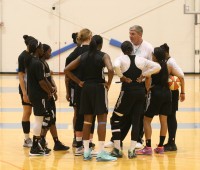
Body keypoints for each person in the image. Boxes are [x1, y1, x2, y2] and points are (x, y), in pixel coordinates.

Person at [64, 35, 117, 162]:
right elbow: (110, 69)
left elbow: (67, 69)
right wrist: (109, 83)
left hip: (86, 89)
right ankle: (101, 152)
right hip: (98, 88)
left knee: (87, 121)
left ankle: (86, 152)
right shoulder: (104, 55)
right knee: (102, 120)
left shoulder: (82, 56)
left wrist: (78, 81)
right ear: (101, 45)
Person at [105, 25, 153, 149]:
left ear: (140, 34)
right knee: (124, 113)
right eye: (129, 33)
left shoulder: (148, 48)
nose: (130, 36)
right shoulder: (127, 47)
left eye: (133, 34)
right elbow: (121, 62)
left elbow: (153, 66)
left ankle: (138, 139)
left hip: (140, 84)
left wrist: (145, 77)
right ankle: (117, 139)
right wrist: (122, 76)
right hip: (127, 84)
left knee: (138, 114)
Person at [110, 41, 160, 159]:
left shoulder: (121, 59)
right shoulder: (141, 59)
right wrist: (145, 74)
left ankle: (117, 148)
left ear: (122, 50)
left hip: (127, 92)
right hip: (140, 93)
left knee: (115, 119)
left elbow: (115, 66)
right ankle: (132, 150)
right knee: (136, 120)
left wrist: (121, 77)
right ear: (132, 49)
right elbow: (158, 66)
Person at [136, 47, 172, 155]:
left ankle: (147, 147)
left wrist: (147, 90)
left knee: (146, 120)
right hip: (167, 93)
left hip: (156, 93)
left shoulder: (154, 66)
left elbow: (147, 78)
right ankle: (161, 146)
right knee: (164, 121)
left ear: (155, 56)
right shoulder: (168, 65)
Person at [65, 29, 95, 155]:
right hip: (92, 87)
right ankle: (88, 142)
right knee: (90, 115)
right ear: (90, 37)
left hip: (77, 88)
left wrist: (76, 82)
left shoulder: (72, 54)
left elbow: (67, 73)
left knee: (78, 114)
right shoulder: (94, 53)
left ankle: (77, 142)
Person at [25, 39, 54, 156]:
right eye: (41, 48)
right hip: (38, 94)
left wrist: (50, 89)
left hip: (35, 94)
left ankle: (39, 143)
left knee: (47, 117)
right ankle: (35, 147)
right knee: (39, 119)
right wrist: (49, 92)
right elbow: (41, 81)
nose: (43, 50)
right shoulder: (37, 63)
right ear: (38, 49)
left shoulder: (33, 61)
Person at [39, 44, 70, 151]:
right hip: (44, 96)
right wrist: (50, 91)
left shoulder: (45, 64)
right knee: (48, 119)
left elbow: (49, 78)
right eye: (49, 51)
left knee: (52, 120)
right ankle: (41, 140)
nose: (50, 53)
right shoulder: (40, 64)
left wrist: (54, 88)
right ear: (43, 52)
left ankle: (56, 142)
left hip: (49, 95)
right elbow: (42, 81)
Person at [160, 43, 185, 151]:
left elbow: (181, 76)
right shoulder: (166, 61)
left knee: (171, 116)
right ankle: (170, 142)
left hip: (173, 92)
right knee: (168, 116)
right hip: (168, 92)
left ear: (165, 52)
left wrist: (182, 92)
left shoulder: (171, 62)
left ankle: (172, 142)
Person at [18, 35, 35, 147]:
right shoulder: (22, 56)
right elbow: (21, 76)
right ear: (28, 45)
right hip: (27, 89)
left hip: (36, 88)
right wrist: (24, 92)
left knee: (39, 113)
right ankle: (26, 138)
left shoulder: (34, 54)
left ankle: (39, 138)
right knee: (27, 112)